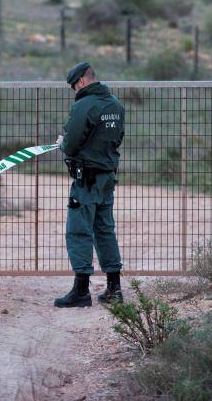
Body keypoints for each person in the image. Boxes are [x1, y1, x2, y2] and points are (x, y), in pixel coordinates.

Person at [54, 62, 125, 308]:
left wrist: (63, 142)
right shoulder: (116, 105)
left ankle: (81, 290)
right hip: (107, 178)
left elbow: (71, 144)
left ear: (82, 81)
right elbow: (117, 139)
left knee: (78, 231)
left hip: (86, 180)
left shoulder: (84, 106)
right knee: (105, 230)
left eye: (74, 85)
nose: (75, 90)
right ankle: (114, 288)